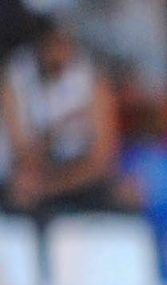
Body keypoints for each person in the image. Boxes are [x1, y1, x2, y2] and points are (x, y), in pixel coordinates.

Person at [2, 18, 120, 216]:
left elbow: (103, 156)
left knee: (127, 192)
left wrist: (53, 186)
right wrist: (58, 131)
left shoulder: (93, 78)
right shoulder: (16, 75)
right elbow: (21, 153)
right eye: (53, 45)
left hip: (77, 171)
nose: (60, 52)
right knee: (23, 187)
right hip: (33, 170)